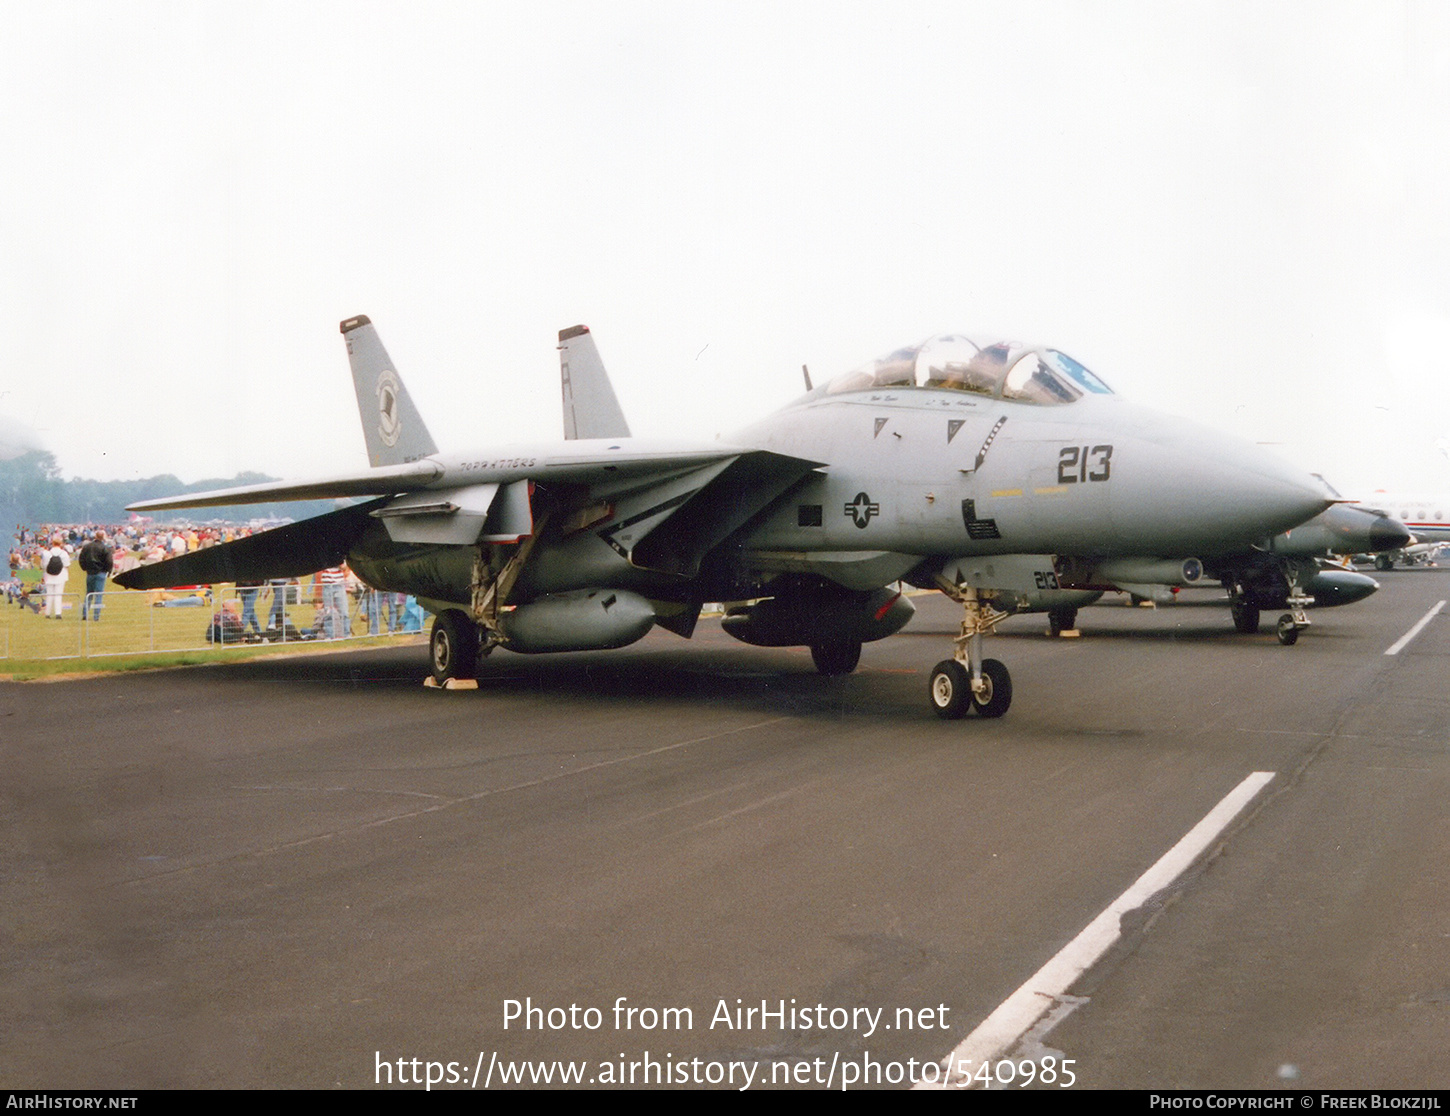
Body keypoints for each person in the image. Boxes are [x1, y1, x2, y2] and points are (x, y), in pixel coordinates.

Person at [78, 530, 114, 621]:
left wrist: (84, 568)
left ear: (95, 536)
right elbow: (109, 561)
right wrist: (108, 571)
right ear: (103, 537)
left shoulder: (87, 547)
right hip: (101, 572)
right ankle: (96, 616)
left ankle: (85, 614)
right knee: (98, 595)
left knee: (89, 594)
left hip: (90, 572)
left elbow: (81, 558)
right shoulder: (105, 548)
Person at [39, 535, 70, 619]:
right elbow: (67, 565)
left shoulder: (47, 553)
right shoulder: (64, 553)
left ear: (52, 543)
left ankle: (47, 613)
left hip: (49, 575)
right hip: (61, 575)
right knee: (58, 595)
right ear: (60, 544)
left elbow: (43, 565)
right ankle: (58, 613)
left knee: (49, 594)